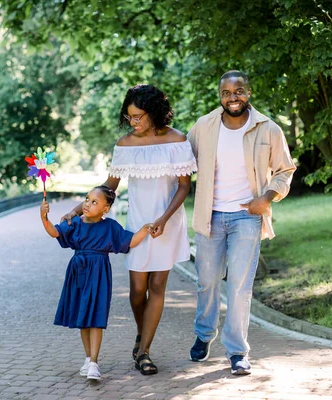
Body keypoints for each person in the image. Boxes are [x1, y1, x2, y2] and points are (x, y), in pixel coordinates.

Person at [61, 84, 197, 375]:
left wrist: (163, 219)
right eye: (130, 117)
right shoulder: (124, 145)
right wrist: (77, 208)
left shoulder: (177, 140)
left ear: (155, 113)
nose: (134, 122)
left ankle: (144, 351)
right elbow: (110, 186)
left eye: (139, 116)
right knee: (137, 291)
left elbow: (184, 187)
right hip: (136, 224)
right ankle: (142, 334)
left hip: (167, 222)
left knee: (157, 287)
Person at [187, 70, 296, 375]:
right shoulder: (204, 126)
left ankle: (237, 351)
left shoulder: (268, 128)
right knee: (207, 281)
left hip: (247, 216)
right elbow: (183, 161)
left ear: (249, 91)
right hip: (210, 216)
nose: (232, 98)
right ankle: (205, 333)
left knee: (239, 285)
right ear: (219, 95)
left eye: (239, 91)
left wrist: (268, 197)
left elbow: (285, 169)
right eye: (226, 93)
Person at [41, 186, 153, 381]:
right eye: (87, 199)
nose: (87, 204)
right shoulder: (75, 223)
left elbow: (130, 241)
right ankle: (87, 359)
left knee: (96, 317)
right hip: (78, 272)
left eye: (94, 202)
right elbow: (55, 233)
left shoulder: (110, 226)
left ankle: (94, 362)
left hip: (99, 273)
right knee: (82, 318)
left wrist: (144, 230)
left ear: (105, 209)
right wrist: (44, 218)